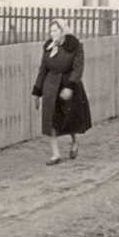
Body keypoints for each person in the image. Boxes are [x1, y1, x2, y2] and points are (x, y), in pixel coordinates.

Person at [31, 18, 92, 165]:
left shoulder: (74, 45)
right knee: (50, 119)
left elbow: (78, 67)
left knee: (69, 118)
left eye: (55, 30)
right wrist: (37, 92)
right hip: (51, 87)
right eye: (50, 31)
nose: (52, 34)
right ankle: (55, 154)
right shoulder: (48, 47)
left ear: (63, 31)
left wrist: (70, 86)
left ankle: (74, 141)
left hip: (68, 85)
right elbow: (43, 69)